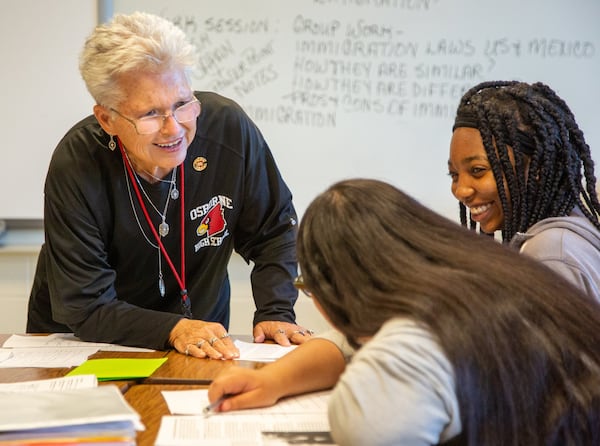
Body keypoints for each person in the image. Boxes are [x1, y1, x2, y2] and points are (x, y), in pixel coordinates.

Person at [208, 178, 600, 446]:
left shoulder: (408, 349)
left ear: (335, 293)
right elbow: (343, 345)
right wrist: (273, 381)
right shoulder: (476, 284)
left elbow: (364, 423)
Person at [26, 11, 312, 358]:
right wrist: (172, 328)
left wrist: (275, 310)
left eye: (182, 105)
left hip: (197, 340)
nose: (174, 128)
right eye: (150, 114)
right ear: (107, 119)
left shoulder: (228, 130)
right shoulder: (77, 163)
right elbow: (86, 305)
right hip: (89, 344)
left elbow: (275, 229)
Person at [448, 80, 600, 301]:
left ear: (536, 168)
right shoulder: (569, 226)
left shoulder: (549, 256)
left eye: (478, 170)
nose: (461, 190)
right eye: (454, 175)